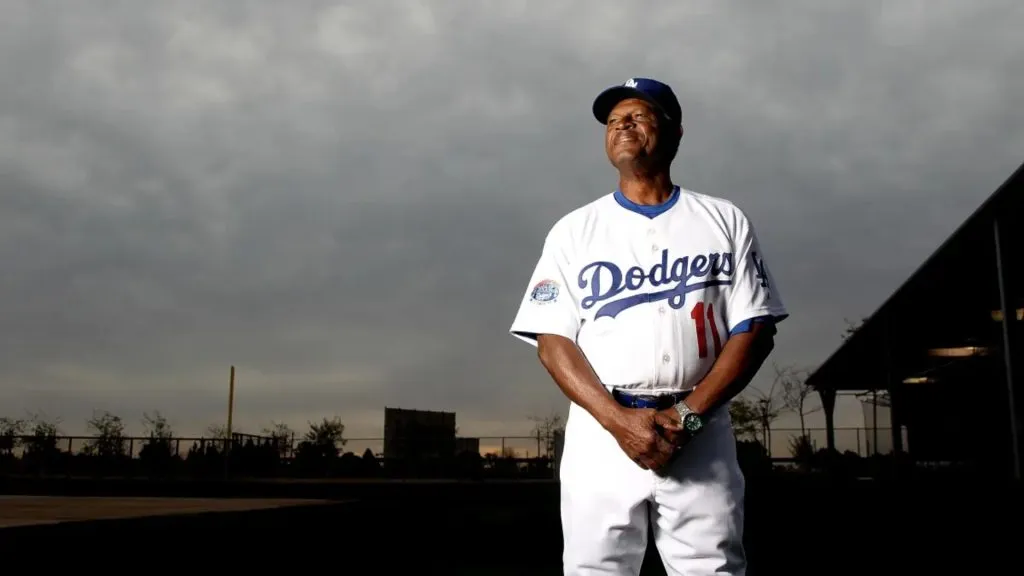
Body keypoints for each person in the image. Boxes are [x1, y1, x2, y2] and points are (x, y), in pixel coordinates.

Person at [508, 77, 787, 576]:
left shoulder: (723, 220)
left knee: (713, 570)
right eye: (614, 120)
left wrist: (687, 418)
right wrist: (618, 422)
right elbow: (552, 342)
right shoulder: (574, 230)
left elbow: (755, 329)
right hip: (601, 431)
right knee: (594, 571)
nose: (623, 125)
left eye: (639, 115)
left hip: (699, 429)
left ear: (675, 133)